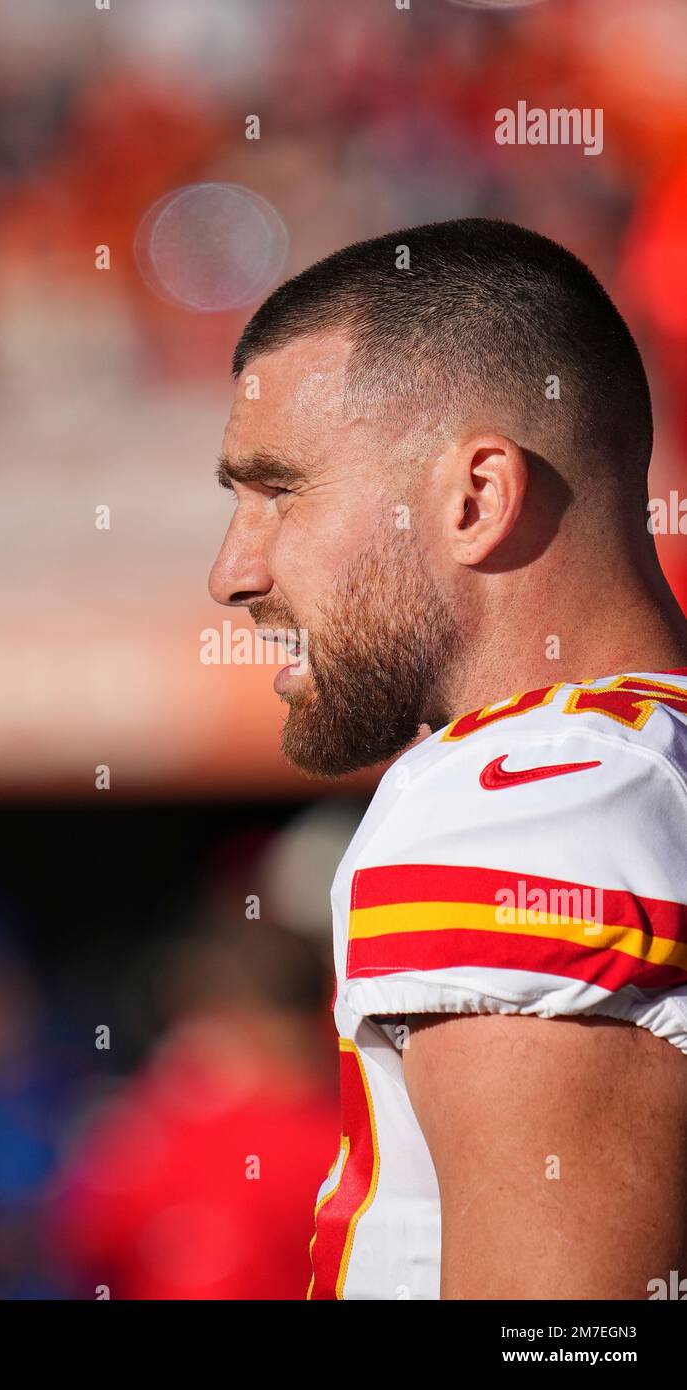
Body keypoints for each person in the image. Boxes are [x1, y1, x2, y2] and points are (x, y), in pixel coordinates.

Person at [208, 218, 687, 1300]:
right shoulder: (634, 765)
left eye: (276, 490)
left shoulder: (527, 803)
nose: (232, 572)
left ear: (474, 497)